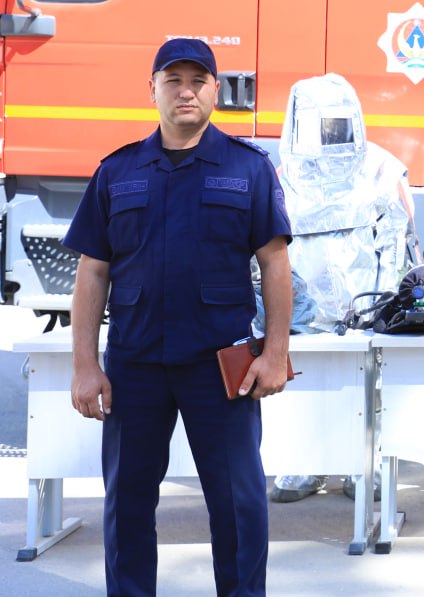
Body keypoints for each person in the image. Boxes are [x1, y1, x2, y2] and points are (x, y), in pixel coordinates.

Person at [65, 38, 293, 597]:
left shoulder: (248, 168)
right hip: (136, 366)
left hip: (222, 367)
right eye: (173, 81)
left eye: (197, 81)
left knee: (238, 504)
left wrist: (276, 354)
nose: (185, 92)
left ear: (216, 90)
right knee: (127, 504)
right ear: (153, 90)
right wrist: (85, 366)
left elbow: (275, 263)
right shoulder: (117, 171)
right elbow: (92, 273)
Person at [269, 73, 414, 503]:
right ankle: (306, 463)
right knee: (307, 385)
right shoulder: (282, 176)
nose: (327, 134)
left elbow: (398, 242)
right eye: (318, 124)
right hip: (305, 308)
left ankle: (364, 466)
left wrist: (386, 303)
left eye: (335, 123)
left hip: (365, 302)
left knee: (369, 387)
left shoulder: (381, 170)